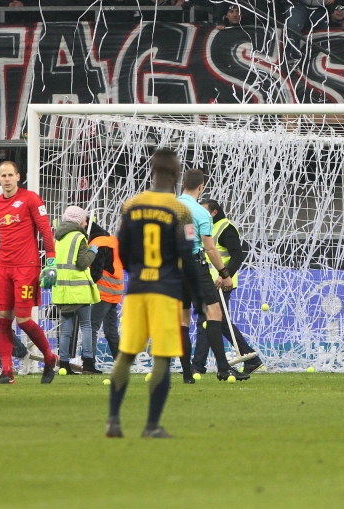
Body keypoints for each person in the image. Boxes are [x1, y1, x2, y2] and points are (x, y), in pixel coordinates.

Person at [106, 148, 202, 439]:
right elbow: (188, 254)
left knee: (126, 355)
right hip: (165, 290)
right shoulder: (180, 210)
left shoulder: (131, 206)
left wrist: (137, 269)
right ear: (176, 174)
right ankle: (151, 426)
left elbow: (120, 247)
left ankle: (113, 421)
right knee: (161, 357)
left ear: (152, 170)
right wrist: (200, 296)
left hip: (136, 289)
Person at [0, 161, 60, 384]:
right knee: (2, 321)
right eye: (3, 175)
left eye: (10, 174)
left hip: (26, 267)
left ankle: (50, 359)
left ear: (18, 177)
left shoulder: (30, 198)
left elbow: (45, 230)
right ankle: (7, 372)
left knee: (23, 320)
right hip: (3, 269)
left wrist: (51, 261)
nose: (7, 179)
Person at [178, 169, 249, 382]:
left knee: (182, 319)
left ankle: (188, 374)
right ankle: (223, 368)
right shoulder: (201, 213)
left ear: (183, 185)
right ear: (201, 187)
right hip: (195, 267)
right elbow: (210, 249)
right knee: (214, 312)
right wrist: (225, 273)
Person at [192, 200, 262, 375]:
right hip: (210, 281)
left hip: (221, 283)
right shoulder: (207, 229)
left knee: (212, 321)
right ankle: (250, 358)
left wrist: (226, 275)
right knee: (214, 322)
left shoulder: (225, 228)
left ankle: (198, 366)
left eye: (204, 211)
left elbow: (237, 255)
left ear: (214, 213)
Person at [51, 206, 101, 376]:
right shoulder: (79, 237)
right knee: (86, 325)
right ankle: (88, 362)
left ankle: (63, 364)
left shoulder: (57, 237)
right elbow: (82, 263)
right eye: (85, 219)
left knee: (66, 329)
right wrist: (93, 252)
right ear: (79, 221)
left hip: (62, 290)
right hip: (78, 289)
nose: (86, 222)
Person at [89, 222, 123, 366]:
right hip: (116, 291)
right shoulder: (112, 240)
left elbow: (96, 271)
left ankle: (88, 361)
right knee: (110, 330)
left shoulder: (98, 243)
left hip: (103, 292)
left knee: (92, 327)